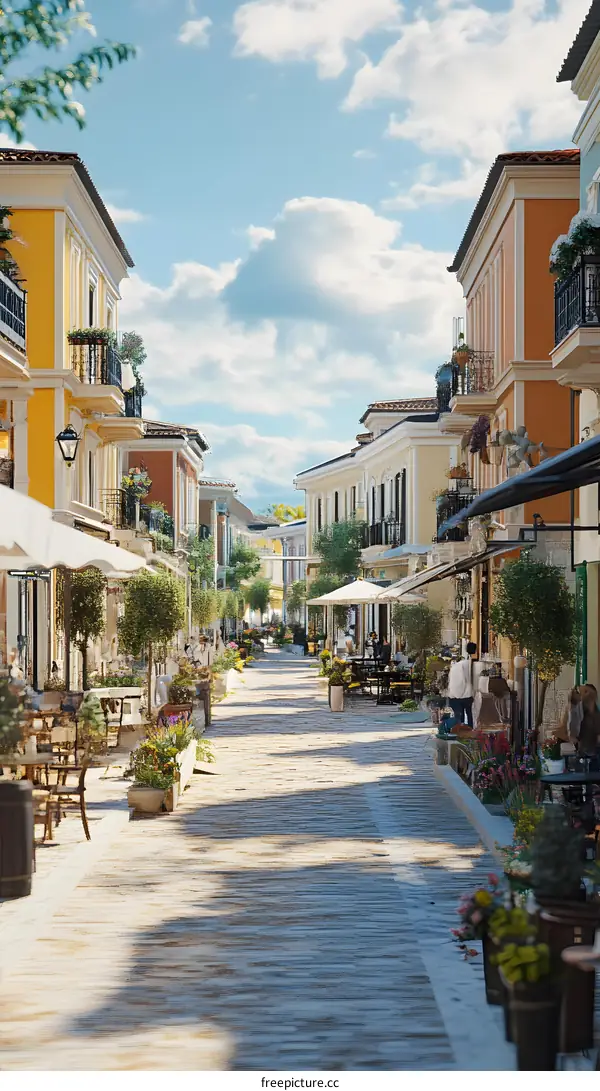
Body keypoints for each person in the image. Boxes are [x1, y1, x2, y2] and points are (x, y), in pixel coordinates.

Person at [560, 683, 600, 761]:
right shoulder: (576, 711)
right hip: (579, 755)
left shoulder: (596, 715)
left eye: (585, 691)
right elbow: (570, 732)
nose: (582, 695)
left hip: (594, 756)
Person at [447, 642, 479, 728]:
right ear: (476, 650)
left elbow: (453, 681)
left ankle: (461, 733)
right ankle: (470, 731)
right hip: (469, 695)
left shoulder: (458, 665)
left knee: (460, 717)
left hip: (457, 696)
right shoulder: (473, 664)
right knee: (470, 714)